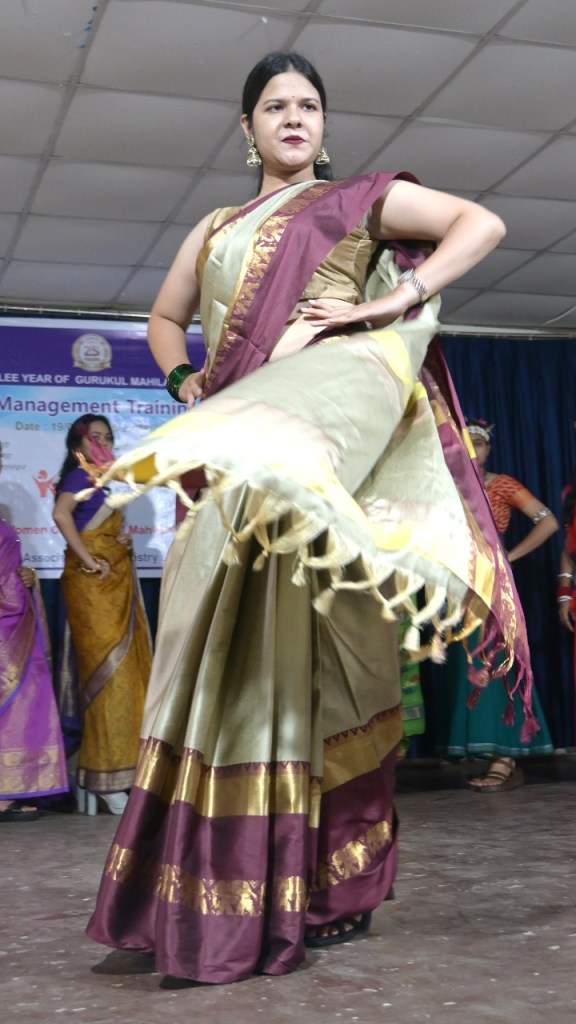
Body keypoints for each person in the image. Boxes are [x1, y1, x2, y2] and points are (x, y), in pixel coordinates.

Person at [86, 50, 521, 984]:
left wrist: (399, 299)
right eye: (275, 106)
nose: (294, 117)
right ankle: (200, 892)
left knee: (328, 679)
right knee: (212, 681)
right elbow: (165, 321)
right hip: (235, 482)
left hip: (311, 490)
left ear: (325, 126)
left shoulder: (359, 200)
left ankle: (332, 889)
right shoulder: (212, 228)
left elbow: (479, 223)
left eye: (309, 105)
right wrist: (186, 379)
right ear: (246, 131)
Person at [432, 417, 557, 791]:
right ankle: (496, 756)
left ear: (489, 449)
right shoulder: (445, 486)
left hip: (493, 585)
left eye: (480, 444)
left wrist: (509, 557)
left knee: (498, 660)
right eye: (467, 444)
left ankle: (506, 757)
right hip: (458, 584)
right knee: (468, 664)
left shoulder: (500, 485)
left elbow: (547, 521)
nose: (475, 451)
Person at [53, 415, 152, 815]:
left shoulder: (99, 481)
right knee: (109, 681)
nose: (103, 442)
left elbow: (93, 527)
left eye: (108, 437)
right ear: (78, 442)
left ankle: (126, 774)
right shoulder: (79, 476)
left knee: (129, 678)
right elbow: (62, 516)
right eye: (95, 436)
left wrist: (117, 541)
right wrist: (89, 558)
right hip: (92, 589)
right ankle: (104, 780)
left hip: (115, 584)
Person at [0, 441, 68, 822]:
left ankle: (9, 790)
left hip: (15, 621)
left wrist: (26, 577)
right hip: (5, 622)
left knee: (23, 702)